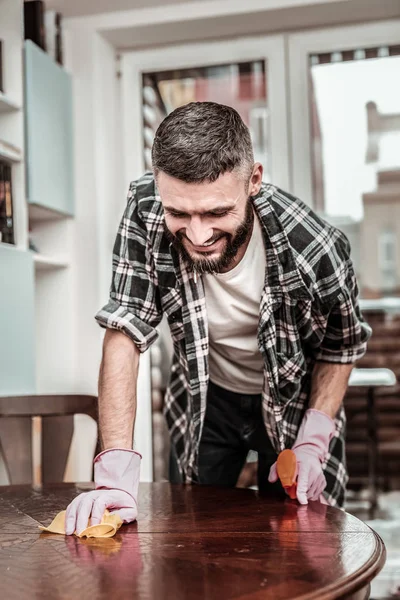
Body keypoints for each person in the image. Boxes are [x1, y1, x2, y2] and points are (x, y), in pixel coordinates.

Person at [65, 101, 371, 535]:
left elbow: (341, 348)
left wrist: (313, 442)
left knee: (303, 538)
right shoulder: (147, 208)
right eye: (179, 213)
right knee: (191, 537)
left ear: (254, 181)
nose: (198, 234)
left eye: (215, 212)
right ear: (159, 185)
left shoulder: (317, 247)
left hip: (292, 403)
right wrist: (114, 476)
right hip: (205, 399)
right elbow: (125, 328)